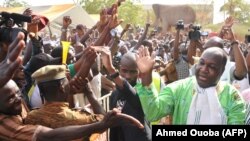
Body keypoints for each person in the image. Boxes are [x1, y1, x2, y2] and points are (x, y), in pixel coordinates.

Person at [0, 32, 144, 141]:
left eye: (18, 93)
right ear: (62, 87)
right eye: (11, 97)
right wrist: (89, 94)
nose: (18, 98)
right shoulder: (79, 120)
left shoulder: (31, 115)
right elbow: (101, 119)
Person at [135, 46, 245, 124]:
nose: (204, 69)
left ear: (221, 71)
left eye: (212, 66)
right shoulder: (179, 88)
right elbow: (153, 113)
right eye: (201, 63)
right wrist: (146, 76)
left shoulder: (232, 97)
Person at [101, 49, 152, 141]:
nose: (128, 76)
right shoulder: (115, 94)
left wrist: (111, 70)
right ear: (120, 69)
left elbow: (130, 93)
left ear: (139, 72)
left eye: (133, 72)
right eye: (124, 70)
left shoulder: (143, 92)